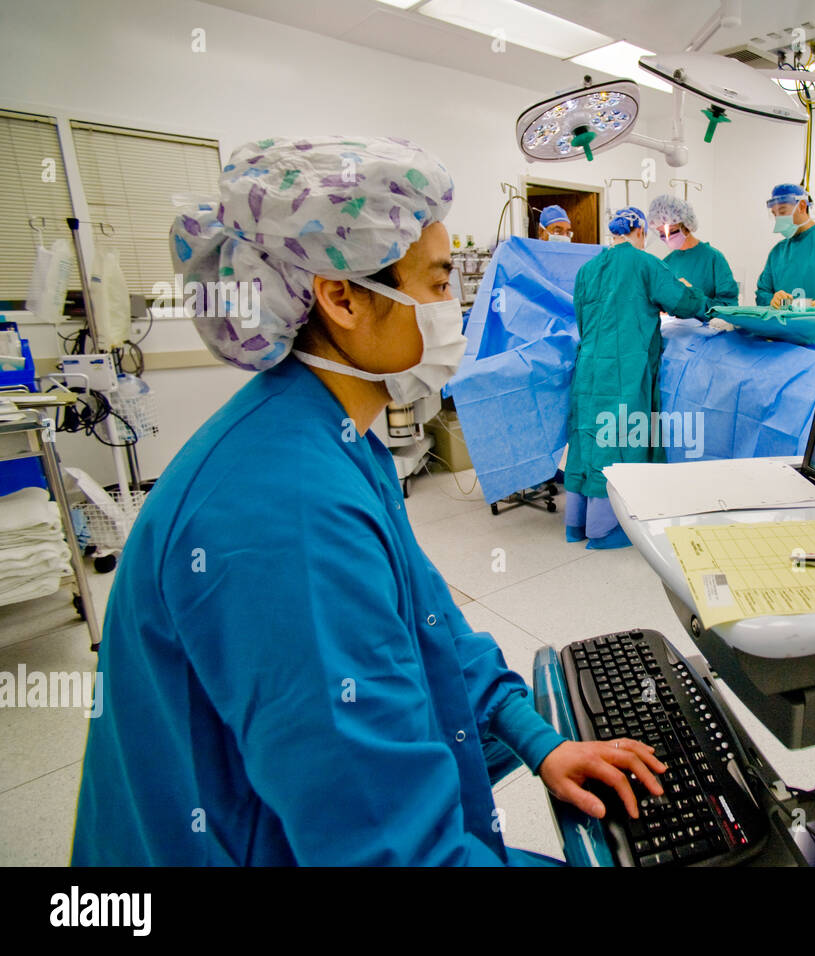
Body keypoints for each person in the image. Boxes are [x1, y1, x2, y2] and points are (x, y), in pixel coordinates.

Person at [71, 136, 665, 866]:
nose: (453, 309)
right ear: (342, 297)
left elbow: (432, 627)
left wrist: (541, 742)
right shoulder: (285, 515)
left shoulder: (333, 435)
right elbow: (392, 855)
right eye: (440, 283)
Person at [564, 207, 706, 548]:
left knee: (587, 439)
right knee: (619, 440)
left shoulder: (587, 269)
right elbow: (683, 303)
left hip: (589, 367)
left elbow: (584, 319)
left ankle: (577, 524)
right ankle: (607, 529)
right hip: (625, 369)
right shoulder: (645, 264)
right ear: (639, 231)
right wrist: (697, 297)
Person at [647, 194, 738, 312]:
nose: (667, 237)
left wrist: (692, 298)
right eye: (661, 233)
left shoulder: (714, 259)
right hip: (672, 329)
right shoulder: (666, 263)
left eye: (672, 231)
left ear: (687, 225)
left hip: (706, 329)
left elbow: (729, 307)